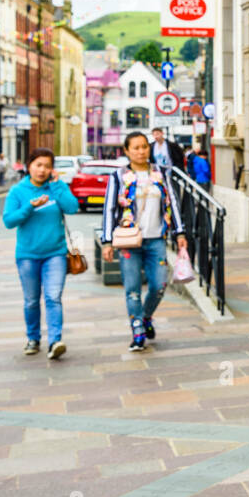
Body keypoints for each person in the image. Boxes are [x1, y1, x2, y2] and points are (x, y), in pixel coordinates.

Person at [100, 131, 188, 351]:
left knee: (159, 286)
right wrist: (107, 241)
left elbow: (173, 203)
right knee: (132, 289)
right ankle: (137, 330)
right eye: (136, 148)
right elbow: (109, 208)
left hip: (156, 239)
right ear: (127, 151)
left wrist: (180, 232)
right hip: (128, 241)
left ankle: (146, 316)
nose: (141, 151)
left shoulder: (161, 173)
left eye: (144, 147)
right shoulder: (118, 176)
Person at [2, 147, 78, 359]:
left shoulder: (56, 187)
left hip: (55, 253)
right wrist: (29, 207)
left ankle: (55, 341)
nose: (42, 170)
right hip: (27, 255)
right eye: (38, 165)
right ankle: (33, 338)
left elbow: (72, 208)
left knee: (53, 297)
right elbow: (9, 221)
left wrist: (57, 186)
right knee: (32, 300)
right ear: (29, 166)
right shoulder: (18, 191)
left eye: (47, 166)